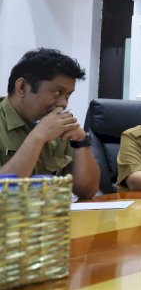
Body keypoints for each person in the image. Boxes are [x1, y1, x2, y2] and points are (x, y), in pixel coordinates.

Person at [0, 48, 100, 199]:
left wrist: (81, 141)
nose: (64, 103)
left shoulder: (57, 126)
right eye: (57, 92)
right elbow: (4, 195)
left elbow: (87, 191)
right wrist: (38, 137)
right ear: (22, 87)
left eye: (68, 95)